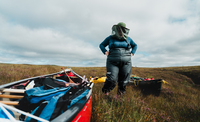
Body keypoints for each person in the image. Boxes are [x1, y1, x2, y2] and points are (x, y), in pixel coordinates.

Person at [99, 22, 137, 95]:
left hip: (126, 63)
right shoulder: (110, 38)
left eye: (122, 29)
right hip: (112, 62)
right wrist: (105, 52)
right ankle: (105, 92)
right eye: (119, 29)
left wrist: (132, 53)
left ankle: (119, 96)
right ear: (116, 29)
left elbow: (135, 45)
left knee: (124, 81)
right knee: (111, 79)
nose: (120, 31)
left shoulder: (128, 39)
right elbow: (101, 45)